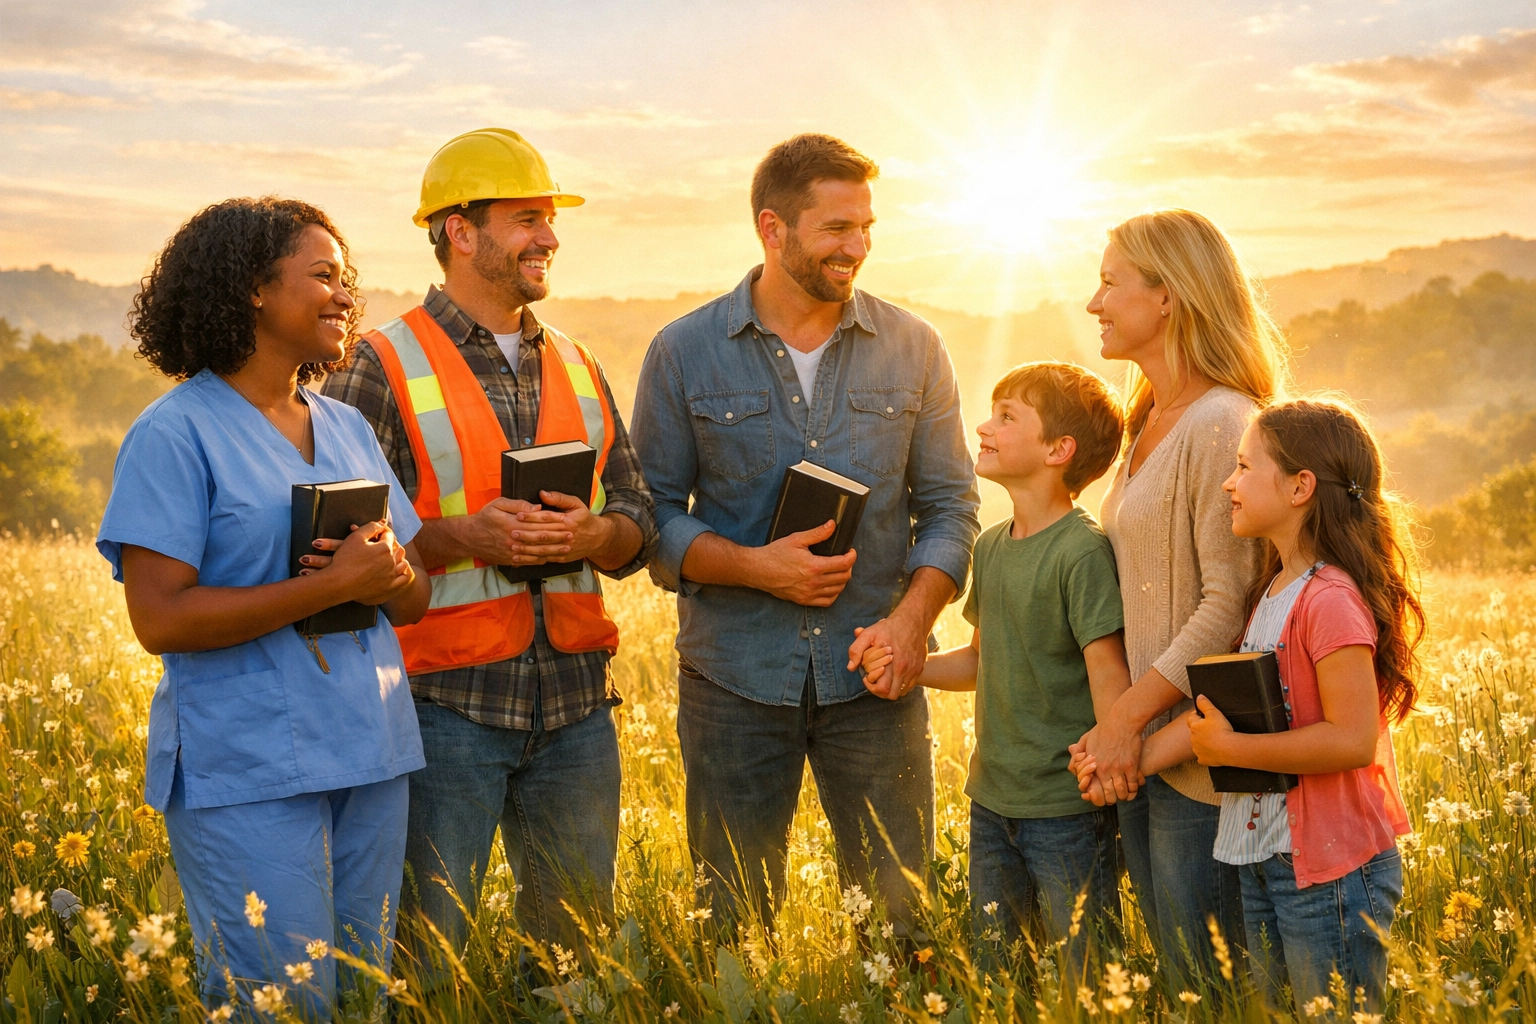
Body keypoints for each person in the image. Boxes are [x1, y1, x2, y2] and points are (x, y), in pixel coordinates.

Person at [630, 133, 981, 938]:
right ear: (772, 228)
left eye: (866, 227)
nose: (855, 247)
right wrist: (756, 569)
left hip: (877, 682)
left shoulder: (915, 346)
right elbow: (650, 517)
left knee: (903, 927)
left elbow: (952, 505)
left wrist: (911, 624)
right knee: (731, 924)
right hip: (734, 682)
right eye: (835, 228)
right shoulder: (684, 353)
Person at [320, 128, 657, 965]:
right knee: (430, 968)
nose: (548, 237)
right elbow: (337, 548)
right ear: (460, 233)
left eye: (549, 219)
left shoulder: (580, 363)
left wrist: (595, 533)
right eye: (526, 219)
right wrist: (460, 537)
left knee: (578, 968)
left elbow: (640, 520)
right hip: (443, 712)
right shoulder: (377, 364)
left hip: (578, 711)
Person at [98, 197, 431, 1017]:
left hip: (370, 751)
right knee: (280, 1004)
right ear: (252, 288)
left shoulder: (348, 427)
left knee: (362, 997)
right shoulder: (174, 434)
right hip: (247, 769)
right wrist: (330, 585)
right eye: (323, 276)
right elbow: (161, 620)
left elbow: (416, 594)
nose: (345, 296)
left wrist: (386, 570)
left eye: (345, 278)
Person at [1074, 398, 1419, 1013]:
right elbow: (1215, 720)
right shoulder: (1273, 592)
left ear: (1300, 487)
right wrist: (1120, 761)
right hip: (1265, 855)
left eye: (1243, 468)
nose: (1229, 483)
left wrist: (1232, 751)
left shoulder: (1329, 599)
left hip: (1328, 868)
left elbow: (1351, 740)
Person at [860, 361, 1130, 974]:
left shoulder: (1081, 552)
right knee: (997, 973)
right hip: (992, 803)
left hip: (1066, 809)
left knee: (1083, 977)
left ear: (1059, 450)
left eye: (1007, 417)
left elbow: (1108, 674)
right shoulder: (992, 544)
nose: (984, 426)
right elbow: (982, 659)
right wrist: (910, 666)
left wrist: (1110, 769)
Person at [1080, 209, 1285, 986]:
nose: (1094, 303)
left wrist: (1123, 723)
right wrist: (1119, 732)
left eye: (1109, 283)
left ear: (1167, 297)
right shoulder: (1146, 419)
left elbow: (1224, 605)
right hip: (1145, 747)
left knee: (1211, 983)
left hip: (1198, 761)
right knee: (1175, 975)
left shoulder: (1221, 421)